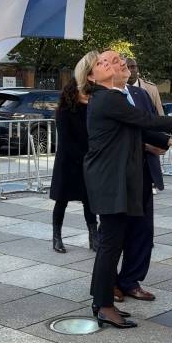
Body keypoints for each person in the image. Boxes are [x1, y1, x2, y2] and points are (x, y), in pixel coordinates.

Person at [76, 50, 172, 329]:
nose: (110, 63)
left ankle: (102, 301)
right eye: (101, 62)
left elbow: (137, 129)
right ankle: (103, 305)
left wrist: (171, 140)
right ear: (91, 76)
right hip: (109, 181)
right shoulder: (107, 97)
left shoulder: (109, 98)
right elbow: (145, 120)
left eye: (111, 60)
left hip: (113, 180)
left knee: (111, 244)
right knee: (110, 245)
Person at [100, 51, 172, 302]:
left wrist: (170, 141)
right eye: (121, 63)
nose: (128, 67)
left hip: (143, 172)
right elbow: (126, 134)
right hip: (119, 176)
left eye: (131, 64)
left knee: (142, 232)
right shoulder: (106, 97)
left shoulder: (142, 93)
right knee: (115, 234)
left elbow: (152, 123)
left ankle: (130, 280)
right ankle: (109, 284)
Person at [49, 78, 97, 254]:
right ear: (74, 92)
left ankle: (94, 237)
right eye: (85, 91)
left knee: (89, 201)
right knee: (61, 201)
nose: (88, 94)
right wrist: (83, 157)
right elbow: (65, 140)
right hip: (68, 162)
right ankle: (57, 237)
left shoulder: (91, 109)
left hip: (87, 161)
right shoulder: (64, 111)